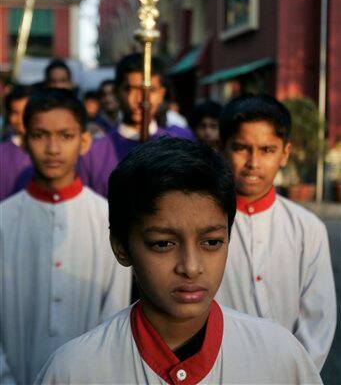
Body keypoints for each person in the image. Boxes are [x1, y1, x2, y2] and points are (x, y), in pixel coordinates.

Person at [36, 138, 321, 384]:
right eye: (163, 244)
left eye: (211, 242)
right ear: (121, 247)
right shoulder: (75, 371)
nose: (191, 266)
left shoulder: (280, 356)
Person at [0, 89, 131, 385]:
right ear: (24, 140)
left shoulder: (108, 218)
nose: (53, 148)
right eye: (40, 135)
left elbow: (115, 312)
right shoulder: (3, 220)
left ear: (84, 141)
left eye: (66, 135)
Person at [215, 94, 336, 372]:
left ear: (285, 153)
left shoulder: (307, 229)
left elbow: (318, 319)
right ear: (222, 149)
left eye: (267, 150)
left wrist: (289, 373)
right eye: (242, 148)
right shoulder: (203, 223)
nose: (253, 162)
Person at [79, 53, 193, 197]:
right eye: (130, 89)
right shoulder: (93, 153)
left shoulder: (182, 146)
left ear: (161, 94)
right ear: (116, 92)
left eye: (150, 90)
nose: (141, 99)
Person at [0, 85, 34, 200]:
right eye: (15, 113)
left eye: (26, 112)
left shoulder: (51, 152)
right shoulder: (2, 152)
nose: (20, 119)